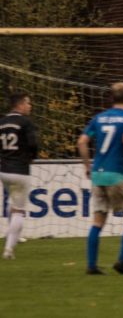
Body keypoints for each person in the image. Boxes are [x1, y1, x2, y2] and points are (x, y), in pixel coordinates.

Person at [77, 82, 123, 274]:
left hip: (98, 174)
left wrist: (87, 166)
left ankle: (91, 265)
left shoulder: (99, 118)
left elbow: (82, 141)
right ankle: (121, 261)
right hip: (117, 173)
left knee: (98, 221)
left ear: (111, 98)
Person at [1, 93, 38, 260]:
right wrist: (31, 157)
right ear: (20, 105)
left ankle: (10, 235)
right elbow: (33, 144)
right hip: (20, 171)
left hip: (4, 170)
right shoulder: (25, 122)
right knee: (18, 211)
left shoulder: (2, 122)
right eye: (28, 103)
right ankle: (9, 248)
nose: (30, 106)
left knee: (11, 203)